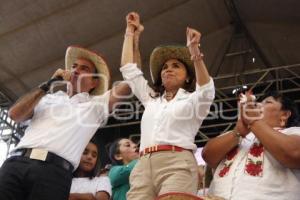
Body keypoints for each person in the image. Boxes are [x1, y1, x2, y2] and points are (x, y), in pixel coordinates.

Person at [0, 45, 131, 200]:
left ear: (94, 83)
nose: (76, 70)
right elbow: (15, 114)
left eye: (84, 68)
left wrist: (130, 36)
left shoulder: (96, 105)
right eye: (74, 66)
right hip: (16, 163)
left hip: (53, 173)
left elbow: (130, 83)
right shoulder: (47, 97)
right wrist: (48, 84)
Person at [120, 12, 215, 199]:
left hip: (177, 163)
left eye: (176, 66)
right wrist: (130, 32)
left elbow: (206, 88)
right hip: (143, 164)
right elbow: (128, 69)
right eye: (165, 67)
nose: (168, 69)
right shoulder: (151, 99)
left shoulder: (193, 100)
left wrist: (194, 50)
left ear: (188, 76)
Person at [202, 91, 300, 200]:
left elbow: (294, 153)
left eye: (267, 102)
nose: (257, 106)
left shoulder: (293, 132)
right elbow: (207, 156)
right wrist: (237, 132)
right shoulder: (236, 134)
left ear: (284, 115)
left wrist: (253, 122)